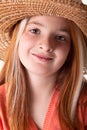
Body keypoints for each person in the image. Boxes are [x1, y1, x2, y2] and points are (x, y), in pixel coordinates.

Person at [0, 0, 87, 130]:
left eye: (60, 37)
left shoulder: (83, 104)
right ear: (16, 38)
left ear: (71, 50)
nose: (46, 46)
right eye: (35, 30)